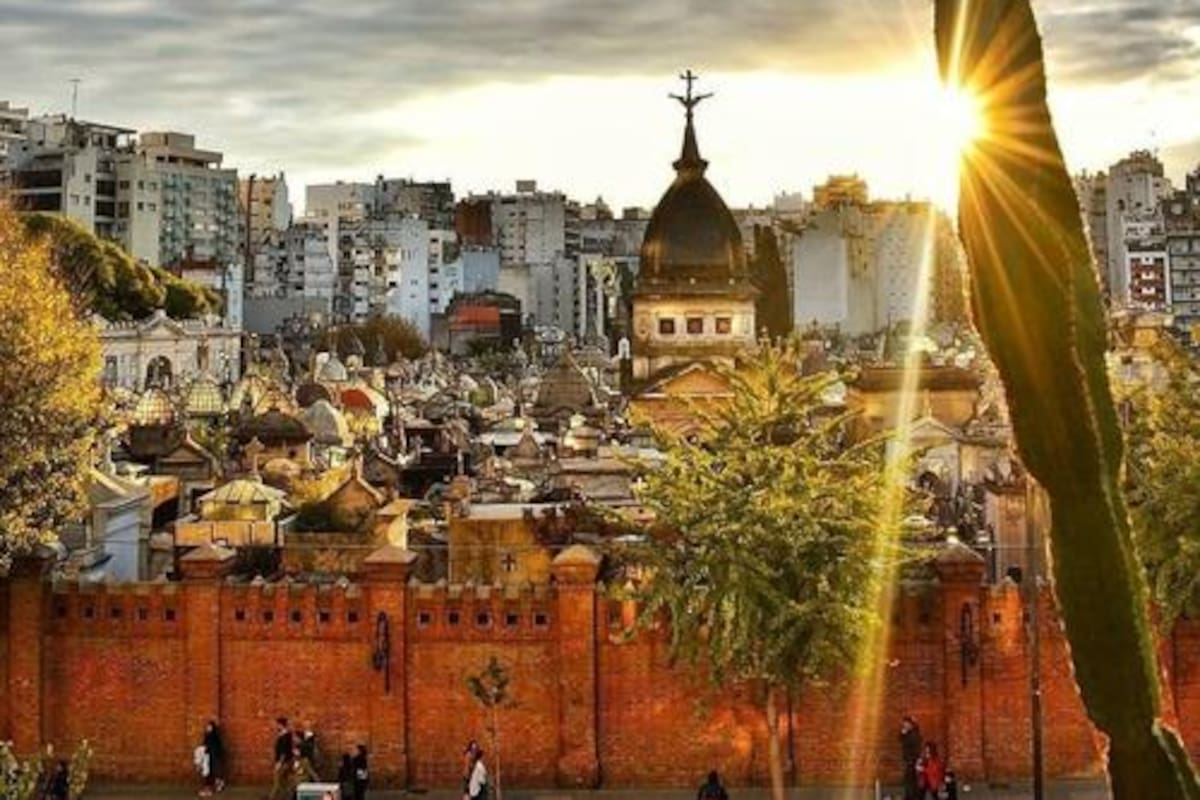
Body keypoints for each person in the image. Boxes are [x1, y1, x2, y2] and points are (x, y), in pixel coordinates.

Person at [268, 717, 293, 800]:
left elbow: (283, 752)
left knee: (277, 782)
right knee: (284, 783)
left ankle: (272, 797)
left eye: (277, 725)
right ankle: (288, 797)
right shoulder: (287, 735)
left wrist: (279, 763)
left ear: (281, 725)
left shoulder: (284, 737)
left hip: (283, 762)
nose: (275, 726)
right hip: (287, 761)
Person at [899, 716, 923, 800]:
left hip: (912, 760)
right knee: (909, 780)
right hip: (909, 760)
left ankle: (910, 797)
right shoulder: (909, 733)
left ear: (910, 724)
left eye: (905, 723)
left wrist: (916, 760)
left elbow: (916, 748)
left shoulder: (913, 734)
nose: (904, 725)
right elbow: (900, 739)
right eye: (903, 724)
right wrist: (903, 734)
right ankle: (910, 796)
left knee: (910, 781)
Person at [200, 719, 226, 795]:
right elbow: (205, 745)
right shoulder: (207, 736)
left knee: (215, 771)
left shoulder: (215, 736)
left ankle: (216, 784)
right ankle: (209, 787)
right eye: (207, 727)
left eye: (209, 727)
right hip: (208, 756)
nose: (208, 728)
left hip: (215, 756)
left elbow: (218, 747)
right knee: (208, 772)